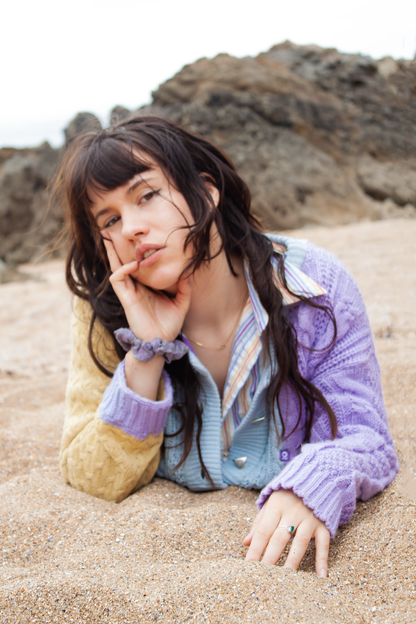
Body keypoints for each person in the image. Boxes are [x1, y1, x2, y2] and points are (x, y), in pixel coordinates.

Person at [58, 115, 398, 578]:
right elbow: (92, 476)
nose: (132, 228)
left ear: (206, 191)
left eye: (147, 195)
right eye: (111, 219)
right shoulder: (104, 318)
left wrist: (311, 482)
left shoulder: (314, 286)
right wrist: (148, 353)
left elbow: (365, 436)